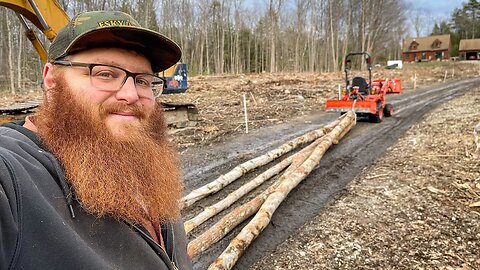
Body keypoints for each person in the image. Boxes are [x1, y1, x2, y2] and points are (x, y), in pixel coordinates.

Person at [0, 10, 192, 270]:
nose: (131, 95)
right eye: (105, 74)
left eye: (143, 81)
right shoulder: (12, 173)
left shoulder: (144, 163)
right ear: (51, 79)